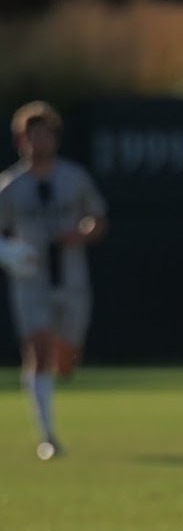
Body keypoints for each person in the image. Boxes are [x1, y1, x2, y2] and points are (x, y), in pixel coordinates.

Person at [0, 100, 108, 459]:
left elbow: (97, 220)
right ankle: (47, 435)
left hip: (71, 279)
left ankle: (59, 375)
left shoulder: (74, 178)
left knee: (65, 359)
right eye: (33, 136)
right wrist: (11, 253)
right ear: (21, 141)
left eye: (45, 135)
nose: (39, 142)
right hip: (32, 280)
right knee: (39, 350)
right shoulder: (10, 186)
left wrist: (82, 232)